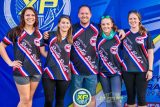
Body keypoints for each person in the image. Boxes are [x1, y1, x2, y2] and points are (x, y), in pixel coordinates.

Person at [0, 7, 45, 107]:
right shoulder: (16, 31)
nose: (30, 17)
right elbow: (1, 46)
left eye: (33, 15)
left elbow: (43, 52)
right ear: (23, 17)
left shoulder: (40, 33)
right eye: (27, 15)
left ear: (36, 17)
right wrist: (9, 62)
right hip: (21, 71)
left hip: (36, 71)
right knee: (24, 100)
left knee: (29, 100)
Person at [122, 10, 154, 107]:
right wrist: (119, 30)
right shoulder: (124, 33)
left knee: (141, 98)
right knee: (130, 98)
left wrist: (150, 69)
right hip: (127, 71)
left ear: (139, 20)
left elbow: (150, 52)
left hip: (142, 71)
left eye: (135, 18)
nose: (132, 20)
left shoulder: (145, 34)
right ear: (128, 20)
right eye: (130, 19)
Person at [41, 15, 73, 107]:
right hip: (49, 73)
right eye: (63, 23)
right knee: (49, 100)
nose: (65, 25)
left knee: (60, 101)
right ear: (59, 24)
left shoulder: (72, 38)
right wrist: (52, 56)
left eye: (67, 23)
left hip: (64, 73)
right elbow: (42, 48)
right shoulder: (50, 35)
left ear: (70, 25)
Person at [97, 15, 127, 107]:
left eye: (108, 24)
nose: (105, 26)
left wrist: (120, 30)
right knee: (108, 100)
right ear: (101, 26)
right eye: (103, 24)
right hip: (103, 73)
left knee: (116, 98)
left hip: (116, 72)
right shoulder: (97, 38)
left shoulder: (119, 36)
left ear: (112, 24)